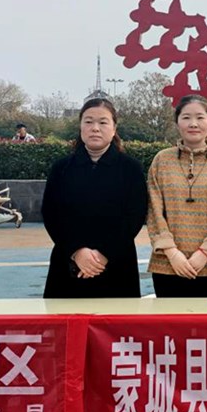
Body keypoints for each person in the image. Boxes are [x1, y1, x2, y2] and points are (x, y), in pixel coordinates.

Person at [42, 98, 147, 298]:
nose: (95, 128)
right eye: (88, 121)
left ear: (114, 129)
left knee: (115, 318)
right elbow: (51, 214)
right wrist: (77, 251)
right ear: (81, 126)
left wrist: (104, 253)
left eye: (103, 122)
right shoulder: (61, 168)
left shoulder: (130, 168)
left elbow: (135, 215)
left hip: (117, 264)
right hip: (68, 263)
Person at [147, 95, 207, 298]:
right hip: (168, 266)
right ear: (177, 123)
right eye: (186, 117)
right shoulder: (162, 160)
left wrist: (206, 251)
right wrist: (172, 252)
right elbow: (153, 209)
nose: (193, 124)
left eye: (200, 117)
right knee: (171, 319)